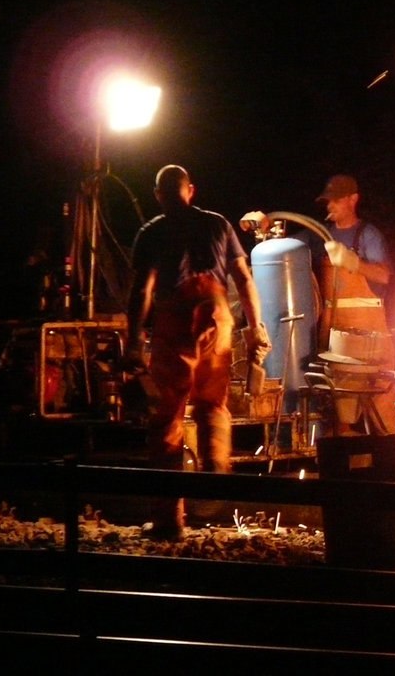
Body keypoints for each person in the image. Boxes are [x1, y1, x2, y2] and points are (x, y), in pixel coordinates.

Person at [126, 164, 270, 541]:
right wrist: (255, 327)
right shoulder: (219, 225)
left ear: (159, 195)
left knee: (167, 421)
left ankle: (169, 522)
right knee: (212, 404)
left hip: (174, 323)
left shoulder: (151, 232)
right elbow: (243, 278)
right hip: (217, 319)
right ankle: (216, 469)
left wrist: (132, 340)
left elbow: (142, 291)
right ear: (191, 190)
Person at [314, 174, 395, 435]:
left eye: (336, 200)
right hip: (335, 336)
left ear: (353, 199)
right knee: (341, 409)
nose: (330, 206)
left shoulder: (368, 235)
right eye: (328, 201)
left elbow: (383, 275)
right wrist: (267, 221)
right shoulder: (319, 235)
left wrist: (353, 263)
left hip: (369, 337)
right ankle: (348, 464)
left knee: (381, 401)